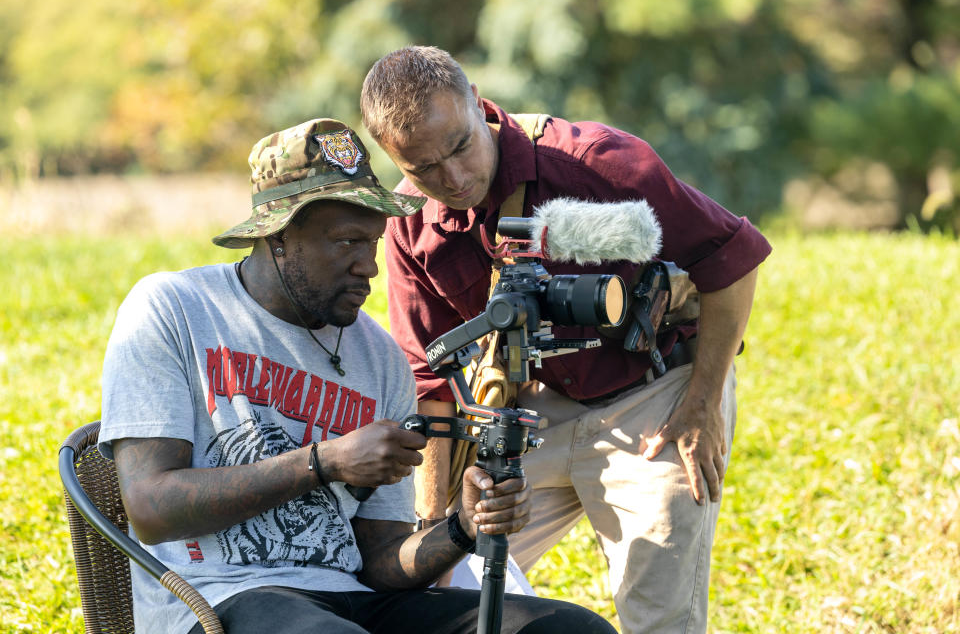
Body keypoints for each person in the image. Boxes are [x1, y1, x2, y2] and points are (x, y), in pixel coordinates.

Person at [97, 118, 616, 634]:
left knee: (569, 629)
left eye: (371, 243)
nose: (368, 266)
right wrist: (325, 462)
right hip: (222, 596)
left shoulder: (381, 359)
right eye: (346, 242)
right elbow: (150, 506)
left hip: (356, 602)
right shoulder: (174, 310)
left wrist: (462, 524)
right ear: (279, 235)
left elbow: (384, 563)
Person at [360, 47, 773, 634]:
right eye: (423, 169)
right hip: (530, 407)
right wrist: (432, 523)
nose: (452, 179)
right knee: (452, 587)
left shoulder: (598, 164)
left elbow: (732, 258)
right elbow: (429, 376)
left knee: (659, 612)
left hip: (653, 396)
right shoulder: (409, 222)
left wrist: (704, 401)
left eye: (459, 146)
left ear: (479, 106)